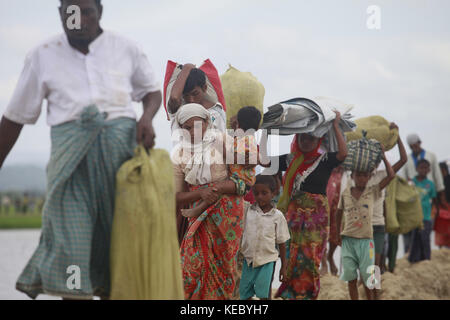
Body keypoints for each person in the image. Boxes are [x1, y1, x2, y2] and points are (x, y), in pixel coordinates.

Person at [0, 0, 162, 299]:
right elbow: (15, 117)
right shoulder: (41, 55)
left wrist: (147, 117)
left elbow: (151, 91)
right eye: (70, 12)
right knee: (73, 249)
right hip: (71, 170)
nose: (78, 20)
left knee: (120, 251)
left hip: (121, 168)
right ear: (60, 13)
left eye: (85, 11)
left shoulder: (126, 48)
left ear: (100, 11)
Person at [172, 104, 247, 300]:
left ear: (207, 122)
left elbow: (243, 184)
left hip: (226, 219)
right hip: (198, 217)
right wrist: (201, 194)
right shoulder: (179, 154)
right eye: (187, 128)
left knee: (223, 271)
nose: (193, 132)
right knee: (188, 272)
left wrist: (218, 188)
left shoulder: (224, 143)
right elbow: (177, 197)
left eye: (197, 126)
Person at [270, 111, 348, 300]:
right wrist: (269, 131)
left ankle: (307, 294)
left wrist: (336, 126)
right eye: (302, 138)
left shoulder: (324, 160)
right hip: (293, 217)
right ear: (297, 139)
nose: (306, 142)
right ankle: (290, 293)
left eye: (311, 138)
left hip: (317, 219)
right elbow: (266, 161)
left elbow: (343, 153)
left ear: (318, 141)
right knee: (291, 254)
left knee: (311, 257)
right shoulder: (290, 160)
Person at [181, 106, 260, 218]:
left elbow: (238, 159)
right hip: (238, 180)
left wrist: (222, 150)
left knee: (218, 187)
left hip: (241, 181)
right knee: (218, 189)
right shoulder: (241, 139)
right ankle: (198, 209)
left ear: (237, 123)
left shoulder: (247, 140)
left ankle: (198, 209)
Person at [336, 150, 395, 300]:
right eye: (359, 175)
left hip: (373, 233)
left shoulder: (374, 188)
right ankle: (369, 295)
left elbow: (392, 175)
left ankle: (375, 295)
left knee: (373, 270)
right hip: (350, 237)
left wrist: (383, 155)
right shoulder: (347, 191)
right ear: (353, 175)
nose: (362, 178)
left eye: (365, 175)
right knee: (353, 277)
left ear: (369, 176)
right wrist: (338, 233)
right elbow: (338, 213)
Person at [239, 175, 290, 300]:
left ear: (273, 194)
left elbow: (282, 243)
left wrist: (283, 267)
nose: (260, 196)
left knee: (264, 294)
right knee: (244, 293)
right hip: (248, 260)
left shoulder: (277, 216)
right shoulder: (247, 211)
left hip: (267, 261)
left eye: (264, 193)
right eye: (256, 193)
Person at [401, 133, 445, 253]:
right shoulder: (407, 159)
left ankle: (424, 253)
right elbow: (403, 179)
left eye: (415, 145)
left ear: (420, 143)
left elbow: (437, 176)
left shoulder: (431, 156)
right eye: (411, 146)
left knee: (426, 229)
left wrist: (441, 197)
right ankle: (410, 252)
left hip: (429, 196)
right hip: (412, 199)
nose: (413, 147)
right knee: (412, 229)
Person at [168, 64, 226, 133]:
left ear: (204, 88)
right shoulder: (178, 110)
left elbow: (222, 140)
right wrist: (186, 68)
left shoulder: (217, 111)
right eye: (186, 96)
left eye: (195, 94)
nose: (191, 100)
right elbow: (174, 98)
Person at [408, 159, 438, 263]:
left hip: (426, 216)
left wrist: (433, 214)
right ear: (417, 169)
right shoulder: (411, 182)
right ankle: (413, 260)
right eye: (421, 167)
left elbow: (434, 200)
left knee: (425, 238)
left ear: (429, 170)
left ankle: (426, 260)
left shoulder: (430, 184)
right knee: (415, 238)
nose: (423, 170)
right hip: (414, 216)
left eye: (426, 168)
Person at [435, 162, 450, 248]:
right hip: (441, 209)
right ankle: (441, 247)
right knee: (441, 229)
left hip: (446, 207)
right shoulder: (438, 181)